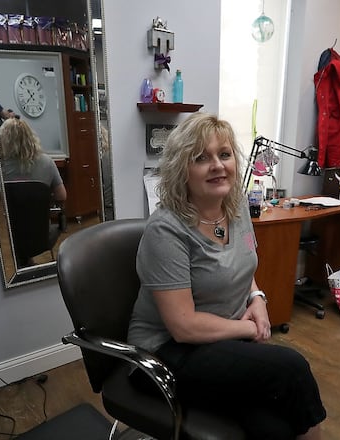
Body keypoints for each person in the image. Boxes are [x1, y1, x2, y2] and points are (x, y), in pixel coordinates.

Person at [127, 112, 326, 439]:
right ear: (182, 169)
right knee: (291, 368)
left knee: (275, 426)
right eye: (202, 158)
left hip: (219, 340)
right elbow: (183, 326)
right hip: (163, 354)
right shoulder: (166, 231)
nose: (218, 165)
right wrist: (250, 327)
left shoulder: (233, 212)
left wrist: (257, 298)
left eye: (224, 154)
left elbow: (241, 266)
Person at [0, 118, 67, 203]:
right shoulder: (47, 162)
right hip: (39, 215)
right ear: (30, 136)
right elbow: (62, 196)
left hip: (11, 215)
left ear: (3, 140)